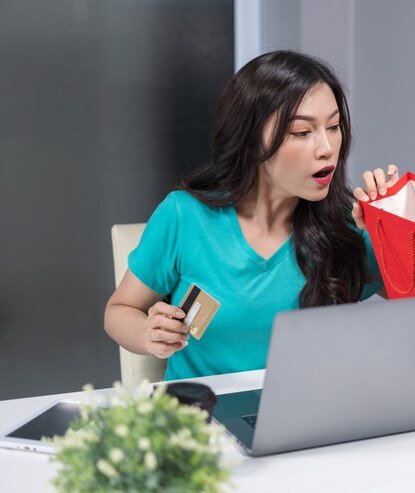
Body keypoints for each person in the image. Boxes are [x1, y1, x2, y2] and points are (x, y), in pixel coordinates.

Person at [104, 50, 398, 380]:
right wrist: (148, 333)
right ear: (251, 141)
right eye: (302, 132)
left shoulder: (348, 223)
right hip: (204, 418)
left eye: (334, 126)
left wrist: (395, 229)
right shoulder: (185, 216)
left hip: (309, 415)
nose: (328, 147)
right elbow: (118, 311)